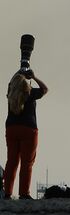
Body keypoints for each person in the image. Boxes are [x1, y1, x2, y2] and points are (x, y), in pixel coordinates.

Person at [4, 71, 48, 199]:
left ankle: (7, 192)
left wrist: (19, 72)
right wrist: (33, 77)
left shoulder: (10, 94)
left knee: (11, 161)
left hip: (11, 128)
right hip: (28, 129)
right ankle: (24, 193)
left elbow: (10, 83)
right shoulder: (30, 93)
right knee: (26, 163)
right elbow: (44, 89)